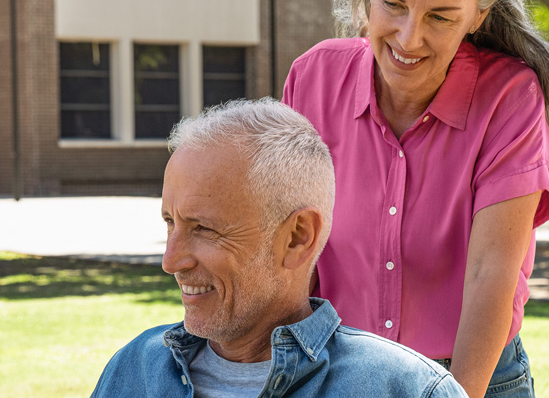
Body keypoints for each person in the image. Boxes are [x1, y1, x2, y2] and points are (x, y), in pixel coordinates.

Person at [281, 0, 549, 396]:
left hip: (472, 375)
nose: (409, 38)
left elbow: (491, 273)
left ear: (477, 16)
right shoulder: (313, 77)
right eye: (392, 4)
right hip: (341, 370)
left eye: (440, 17)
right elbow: (293, 251)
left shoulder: (509, 96)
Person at [90, 98, 469, 398]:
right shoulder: (134, 368)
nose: (170, 261)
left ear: (297, 237)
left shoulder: (409, 389)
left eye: (203, 229)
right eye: (170, 222)